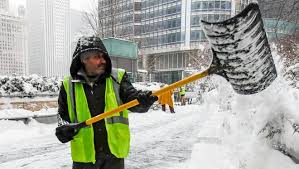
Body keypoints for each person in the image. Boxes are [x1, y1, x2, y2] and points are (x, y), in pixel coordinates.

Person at [55, 36, 158, 169]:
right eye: (97, 57)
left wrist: (143, 101)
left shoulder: (117, 78)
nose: (103, 60)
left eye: (104, 56)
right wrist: (64, 129)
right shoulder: (68, 85)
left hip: (113, 156)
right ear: (84, 59)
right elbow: (62, 116)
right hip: (84, 159)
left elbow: (132, 99)